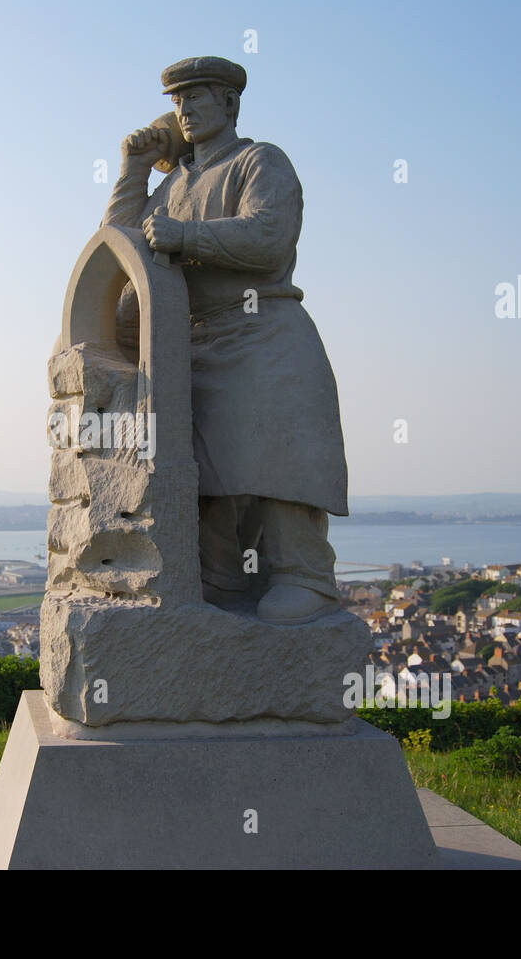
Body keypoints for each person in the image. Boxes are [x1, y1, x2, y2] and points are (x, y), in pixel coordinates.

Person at [101, 55, 350, 624]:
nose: (184, 109)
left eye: (196, 97)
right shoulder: (170, 186)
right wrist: (136, 168)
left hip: (263, 333)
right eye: (176, 101)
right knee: (205, 476)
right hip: (193, 342)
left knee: (277, 457)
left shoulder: (260, 161)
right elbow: (118, 249)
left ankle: (302, 574)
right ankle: (220, 580)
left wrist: (186, 235)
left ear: (230, 103)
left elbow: (269, 236)